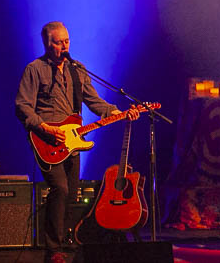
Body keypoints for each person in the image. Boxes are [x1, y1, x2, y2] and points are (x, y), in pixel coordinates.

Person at [15, 21, 139, 263]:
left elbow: (95, 102)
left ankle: (65, 243)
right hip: (46, 141)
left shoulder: (77, 69)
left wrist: (116, 112)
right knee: (59, 189)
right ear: (47, 44)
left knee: (72, 194)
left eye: (67, 41)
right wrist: (44, 127)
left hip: (73, 141)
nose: (64, 46)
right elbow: (22, 106)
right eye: (59, 42)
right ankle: (52, 250)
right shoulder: (34, 69)